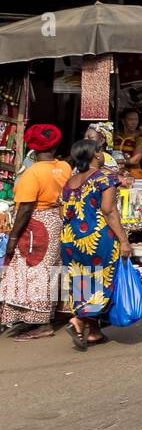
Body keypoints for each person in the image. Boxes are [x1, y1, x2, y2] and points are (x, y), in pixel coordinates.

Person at [59, 138, 132, 349]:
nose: (101, 155)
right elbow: (109, 211)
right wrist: (124, 240)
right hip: (97, 238)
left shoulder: (70, 182)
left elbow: (64, 211)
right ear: (95, 155)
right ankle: (79, 320)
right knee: (103, 282)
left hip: (70, 240)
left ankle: (93, 332)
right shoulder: (103, 178)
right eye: (99, 151)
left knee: (83, 282)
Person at [0, 125, 70, 340]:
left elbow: (25, 209)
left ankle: (42, 323)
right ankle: (37, 317)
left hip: (36, 225)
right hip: (56, 221)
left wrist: (13, 238)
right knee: (49, 270)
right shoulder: (64, 167)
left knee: (33, 273)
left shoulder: (32, 173)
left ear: (32, 147)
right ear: (56, 145)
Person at [113, 109, 142, 179]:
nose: (134, 122)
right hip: (115, 172)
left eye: (136, 120)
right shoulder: (115, 135)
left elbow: (136, 160)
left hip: (133, 173)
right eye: (130, 119)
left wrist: (119, 161)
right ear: (123, 121)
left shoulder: (139, 136)